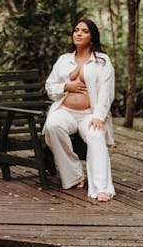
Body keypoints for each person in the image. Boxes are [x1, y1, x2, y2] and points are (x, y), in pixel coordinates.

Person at [43, 18, 116, 202]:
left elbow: (107, 92)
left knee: (96, 136)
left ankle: (101, 188)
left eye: (84, 31)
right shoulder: (63, 60)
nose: (79, 33)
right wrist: (66, 86)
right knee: (52, 126)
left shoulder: (102, 61)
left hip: (89, 114)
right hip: (65, 110)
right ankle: (74, 176)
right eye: (76, 30)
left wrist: (99, 116)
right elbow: (50, 88)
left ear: (92, 37)